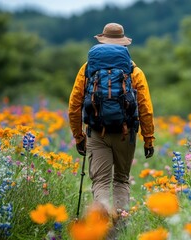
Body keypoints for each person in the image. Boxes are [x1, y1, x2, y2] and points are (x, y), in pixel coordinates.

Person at [68, 23, 155, 239]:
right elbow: (145, 108)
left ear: (102, 40)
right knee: (121, 180)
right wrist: (148, 139)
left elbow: (74, 105)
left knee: (101, 182)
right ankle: (120, 229)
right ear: (124, 42)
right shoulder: (134, 71)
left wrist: (78, 136)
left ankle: (102, 220)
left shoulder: (88, 68)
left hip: (97, 133)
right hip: (126, 134)